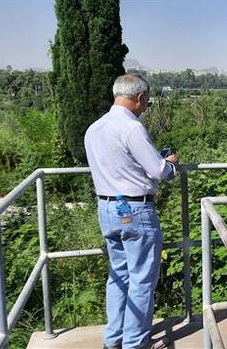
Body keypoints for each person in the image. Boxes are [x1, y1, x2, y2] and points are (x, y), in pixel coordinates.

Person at [84, 74, 178, 349]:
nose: (146, 105)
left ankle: (113, 339)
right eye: (146, 101)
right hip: (136, 209)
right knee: (141, 279)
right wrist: (170, 163)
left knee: (119, 275)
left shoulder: (95, 128)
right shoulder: (132, 128)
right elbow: (157, 170)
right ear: (140, 98)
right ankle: (135, 343)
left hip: (107, 207)